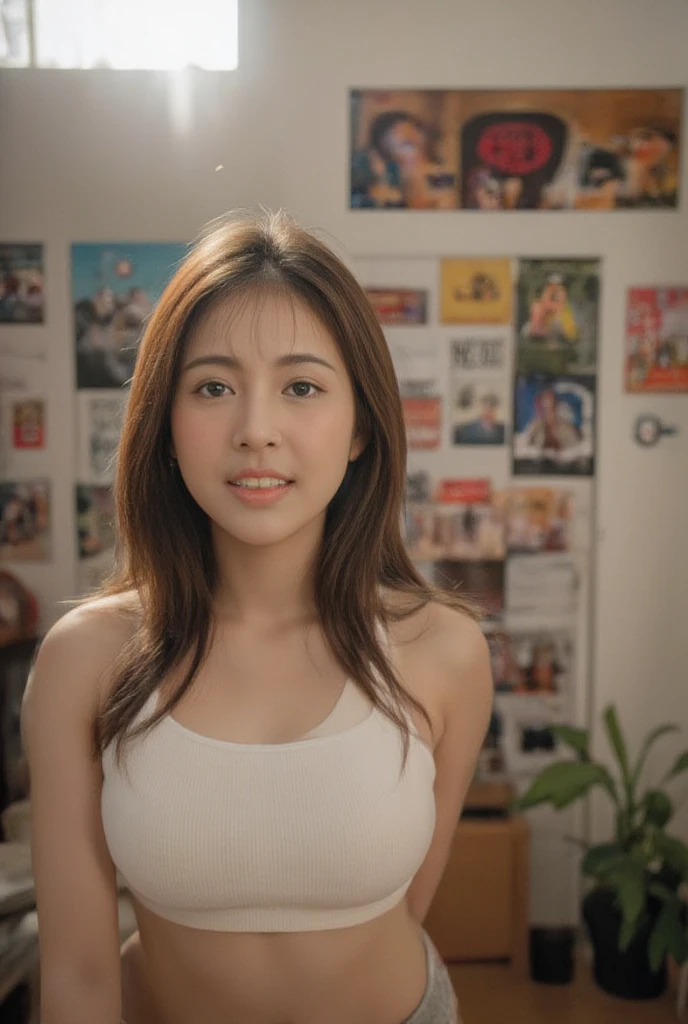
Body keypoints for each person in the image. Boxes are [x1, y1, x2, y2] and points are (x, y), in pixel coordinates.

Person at [22, 210, 493, 1024]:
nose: (256, 432)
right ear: (166, 427)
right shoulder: (84, 660)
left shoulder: (442, 650)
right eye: (213, 387)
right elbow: (76, 974)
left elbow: (409, 905)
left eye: (302, 386)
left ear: (359, 430)